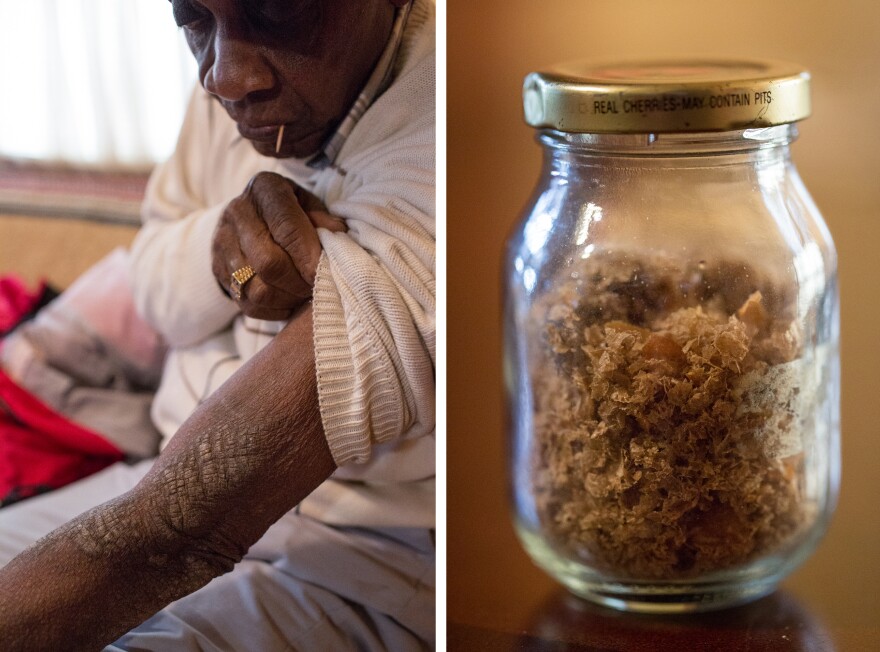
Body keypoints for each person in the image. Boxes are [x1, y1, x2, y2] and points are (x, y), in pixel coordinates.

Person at [0, 0, 435, 649]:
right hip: (148, 477)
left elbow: (186, 527)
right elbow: (149, 280)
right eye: (194, 17)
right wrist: (221, 249)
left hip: (357, 563)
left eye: (274, 12)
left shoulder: (447, 119)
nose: (223, 78)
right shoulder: (240, 83)